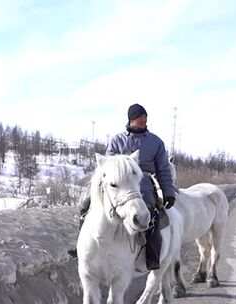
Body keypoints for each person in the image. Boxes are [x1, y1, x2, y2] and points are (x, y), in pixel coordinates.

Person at [68, 103, 176, 270]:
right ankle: (82, 248)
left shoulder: (156, 142)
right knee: (85, 206)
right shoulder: (117, 140)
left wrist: (168, 192)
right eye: (141, 117)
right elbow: (107, 166)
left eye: (146, 118)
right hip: (117, 185)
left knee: (151, 214)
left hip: (144, 184)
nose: (144, 120)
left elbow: (163, 169)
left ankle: (151, 255)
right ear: (133, 119)